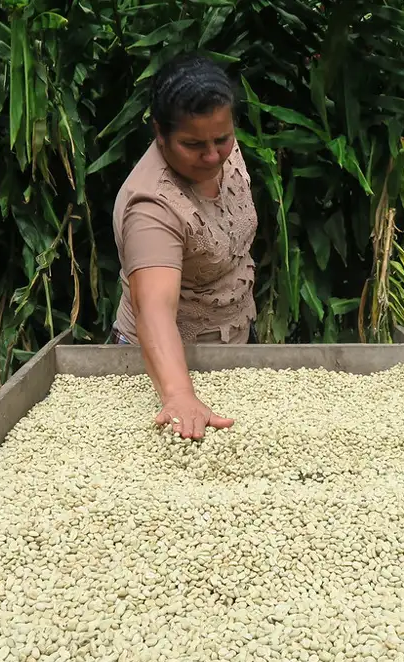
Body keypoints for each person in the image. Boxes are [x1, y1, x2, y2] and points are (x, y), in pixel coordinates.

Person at [110, 53, 259, 441]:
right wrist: (178, 395)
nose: (212, 156)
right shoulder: (152, 207)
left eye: (222, 139)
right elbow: (154, 308)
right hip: (167, 366)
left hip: (233, 342)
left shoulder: (216, 145)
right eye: (193, 144)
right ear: (160, 132)